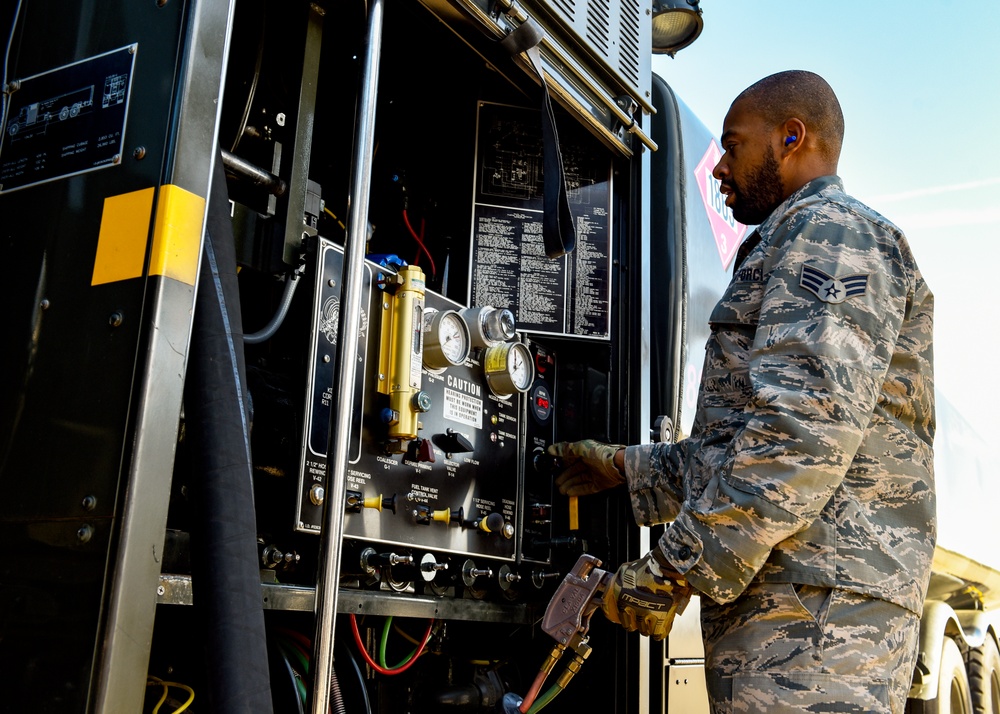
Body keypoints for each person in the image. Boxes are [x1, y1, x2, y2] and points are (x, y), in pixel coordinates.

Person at [550, 70, 935, 714]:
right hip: (799, 609)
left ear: (791, 137)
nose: (720, 169)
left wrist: (672, 569)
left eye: (734, 146)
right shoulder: (792, 240)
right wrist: (623, 467)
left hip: (819, 619)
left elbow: (800, 438)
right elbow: (740, 444)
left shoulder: (830, 233)